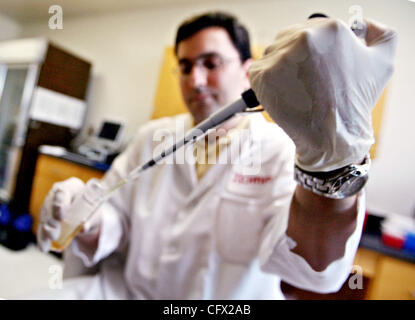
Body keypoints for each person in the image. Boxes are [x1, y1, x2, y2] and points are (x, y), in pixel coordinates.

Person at [34, 11, 397, 299]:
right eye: (186, 66)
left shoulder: (283, 149)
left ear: (246, 71)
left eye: (211, 63)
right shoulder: (152, 137)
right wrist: (89, 218)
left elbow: (315, 272)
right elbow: (118, 217)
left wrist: (328, 166)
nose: (195, 80)